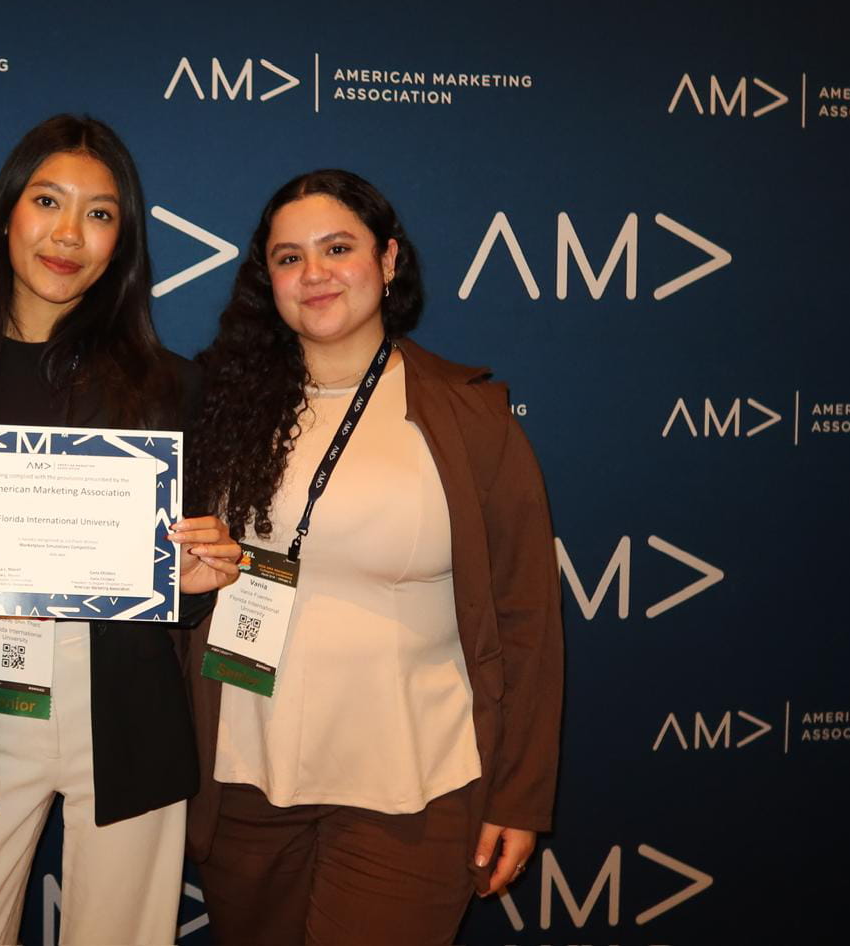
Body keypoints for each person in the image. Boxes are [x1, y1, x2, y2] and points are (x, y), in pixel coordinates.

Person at [0, 114, 241, 945]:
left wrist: (193, 583)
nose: (69, 234)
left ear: (122, 243)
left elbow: (176, 594)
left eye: (100, 214)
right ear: (6, 214)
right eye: (48, 201)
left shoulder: (171, 387)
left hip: (124, 714)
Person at [183, 169, 564, 945]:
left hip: (411, 789)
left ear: (389, 261)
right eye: (289, 258)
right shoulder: (216, 407)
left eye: (337, 248)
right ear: (268, 279)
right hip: (246, 781)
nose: (314, 274)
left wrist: (518, 796)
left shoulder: (467, 415)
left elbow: (528, 616)